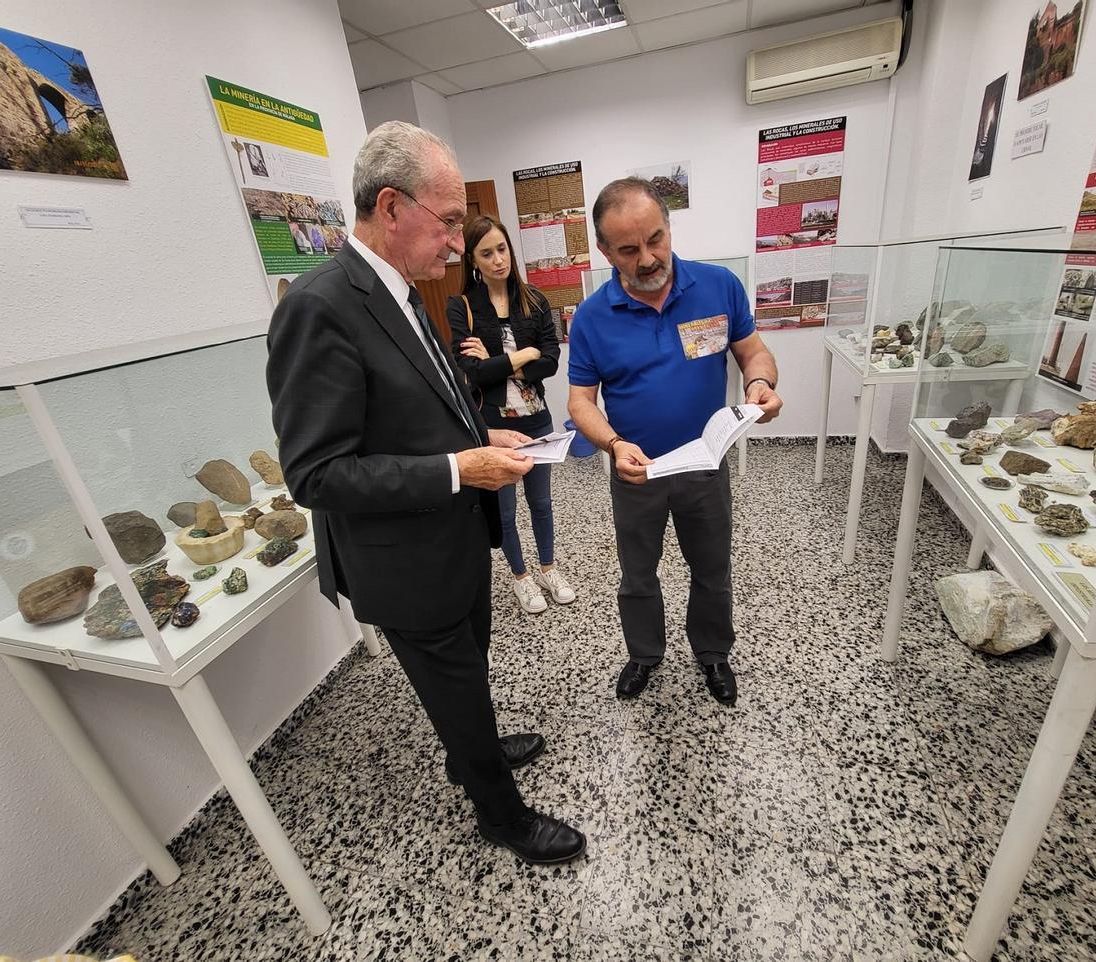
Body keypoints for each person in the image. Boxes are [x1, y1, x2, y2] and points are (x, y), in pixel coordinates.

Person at [266, 121, 586, 865]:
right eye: (447, 222)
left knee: (466, 669)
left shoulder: (405, 294)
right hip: (402, 559)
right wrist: (456, 470)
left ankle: (471, 747)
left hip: (452, 537)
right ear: (389, 206)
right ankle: (501, 815)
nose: (456, 241)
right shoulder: (319, 306)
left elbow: (424, 406)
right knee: (453, 674)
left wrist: (483, 436)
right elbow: (315, 473)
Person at [566, 177, 782, 706]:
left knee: (712, 566)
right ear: (604, 251)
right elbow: (579, 403)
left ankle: (712, 653)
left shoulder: (718, 286)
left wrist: (760, 383)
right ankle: (644, 653)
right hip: (636, 470)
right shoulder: (593, 318)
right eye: (628, 249)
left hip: (706, 465)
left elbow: (754, 353)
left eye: (656, 239)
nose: (647, 258)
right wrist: (615, 445)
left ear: (668, 226)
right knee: (637, 573)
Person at [447, 215, 577, 614]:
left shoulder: (534, 300)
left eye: (501, 249)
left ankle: (548, 568)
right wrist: (524, 355)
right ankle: (521, 577)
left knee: (542, 503)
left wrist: (501, 362)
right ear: (473, 259)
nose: (497, 260)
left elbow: (551, 362)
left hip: (537, 417)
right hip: (494, 426)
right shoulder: (463, 307)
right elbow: (473, 372)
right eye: (486, 253)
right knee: (504, 509)